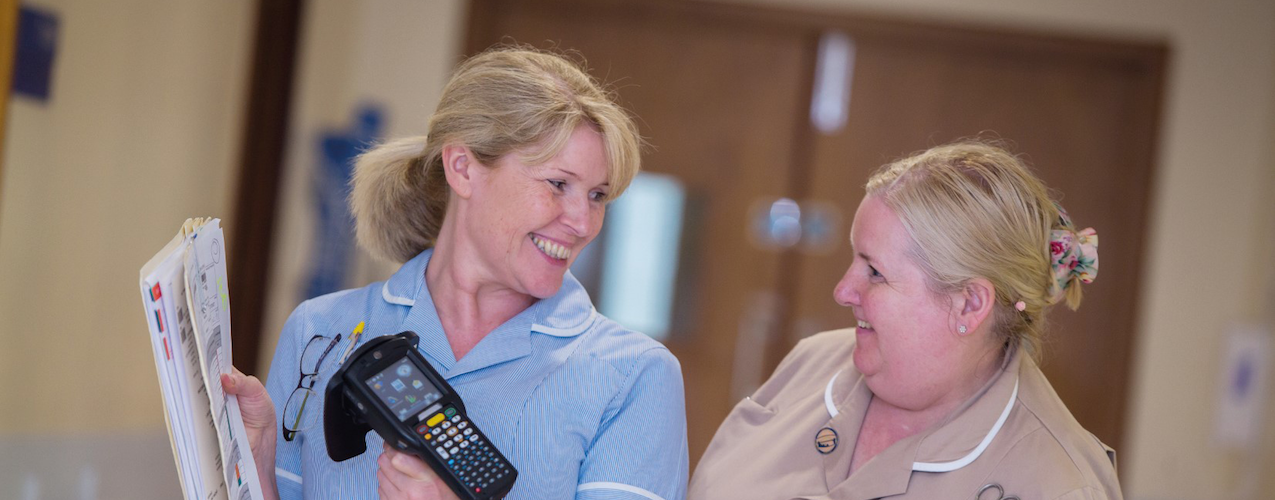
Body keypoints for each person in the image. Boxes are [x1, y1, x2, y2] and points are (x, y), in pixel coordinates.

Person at [222, 46, 689, 500]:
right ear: (462, 168)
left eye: (597, 195)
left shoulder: (634, 375)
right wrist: (258, 466)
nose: (583, 223)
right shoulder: (320, 331)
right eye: (558, 184)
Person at [688, 141, 1118, 499]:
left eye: (875, 272)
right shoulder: (812, 362)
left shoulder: (1061, 483)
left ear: (969, 304)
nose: (842, 291)